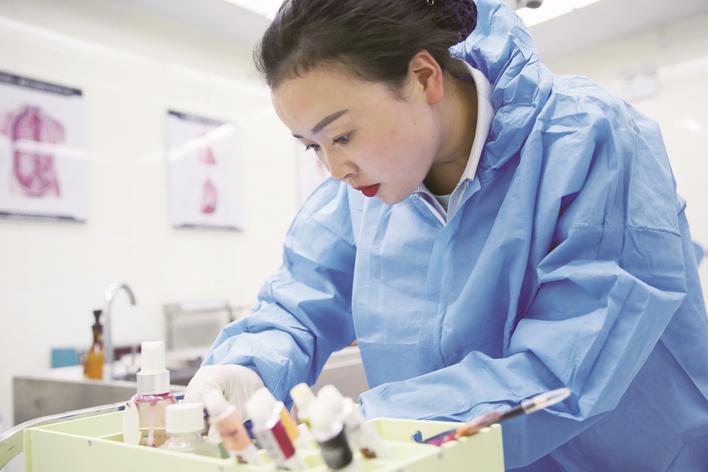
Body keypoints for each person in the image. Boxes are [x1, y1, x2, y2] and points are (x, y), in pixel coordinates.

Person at [185, 0, 708, 469]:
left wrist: (374, 422)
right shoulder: (362, 196)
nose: (335, 168)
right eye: (312, 146)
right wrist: (245, 369)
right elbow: (299, 303)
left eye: (342, 135)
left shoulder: (591, 139)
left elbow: (566, 366)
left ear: (423, 77)